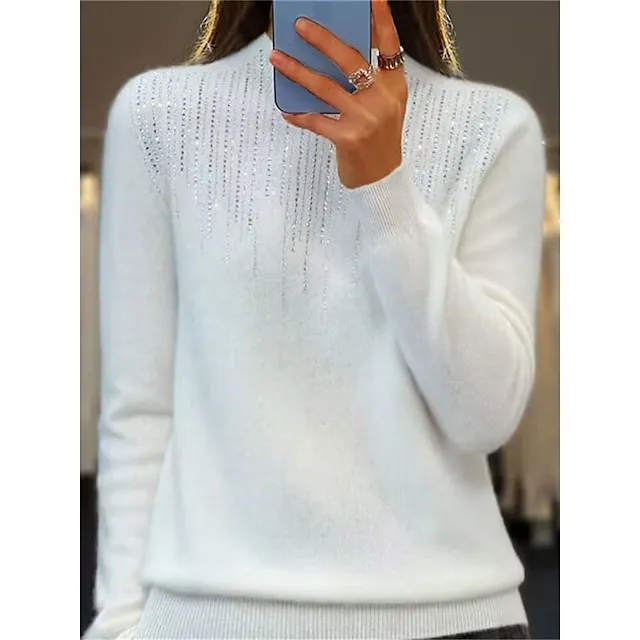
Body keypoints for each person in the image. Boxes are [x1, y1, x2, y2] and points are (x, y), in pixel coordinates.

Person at [84, 1, 545, 638]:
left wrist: (385, 185)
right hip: (208, 618)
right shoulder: (158, 117)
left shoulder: (494, 127)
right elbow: (139, 411)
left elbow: (483, 417)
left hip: (450, 615)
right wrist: (119, 623)